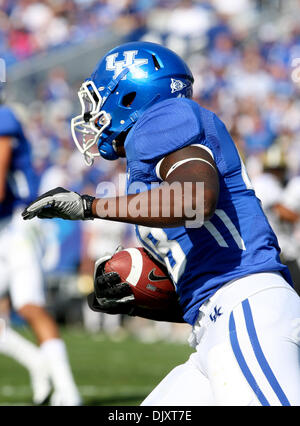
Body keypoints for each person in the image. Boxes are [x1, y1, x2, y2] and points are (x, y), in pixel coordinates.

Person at [22, 41, 300, 406]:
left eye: (97, 101)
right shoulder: (151, 145)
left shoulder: (163, 117)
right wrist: (139, 298)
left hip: (244, 310)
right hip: (217, 322)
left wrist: (90, 206)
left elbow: (196, 199)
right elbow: (202, 283)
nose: (92, 116)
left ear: (129, 94)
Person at [0, 102, 81, 406]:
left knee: (30, 306)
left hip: (16, 227)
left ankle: (68, 392)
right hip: (4, 228)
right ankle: (37, 363)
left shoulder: (3, 117)